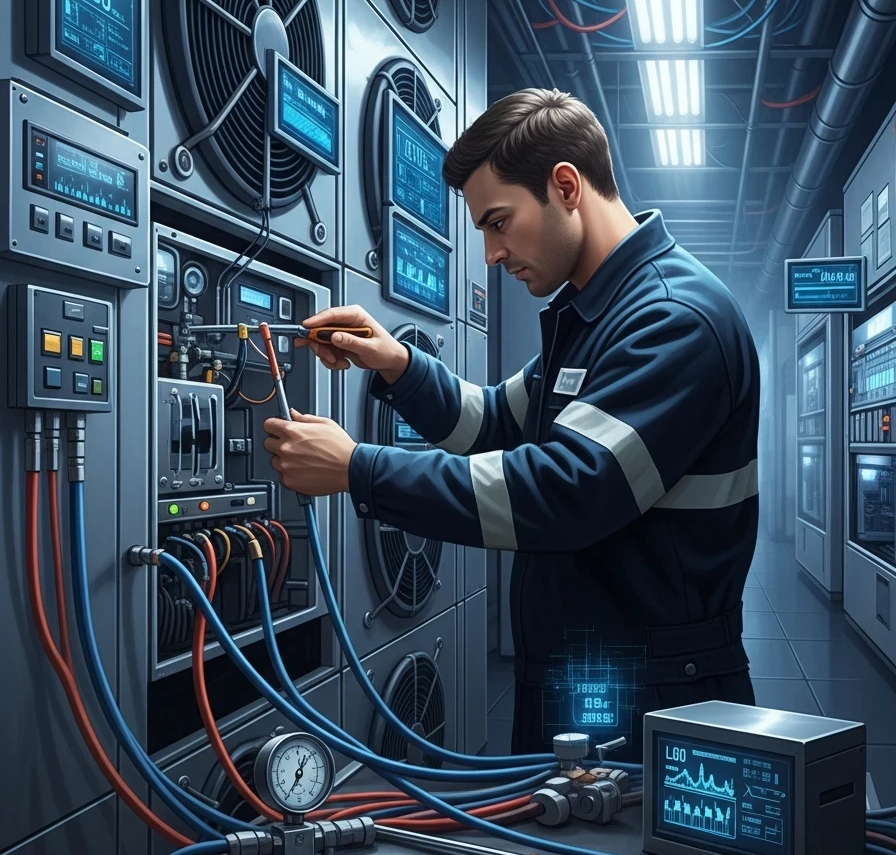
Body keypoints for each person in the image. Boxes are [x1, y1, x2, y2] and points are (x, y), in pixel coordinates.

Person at [263, 87, 759, 762]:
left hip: (656, 692)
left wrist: (359, 468)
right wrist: (399, 365)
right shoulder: (593, 319)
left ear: (565, 186)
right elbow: (493, 420)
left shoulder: (673, 319)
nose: (492, 254)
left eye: (499, 222)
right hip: (583, 673)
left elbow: (569, 492)